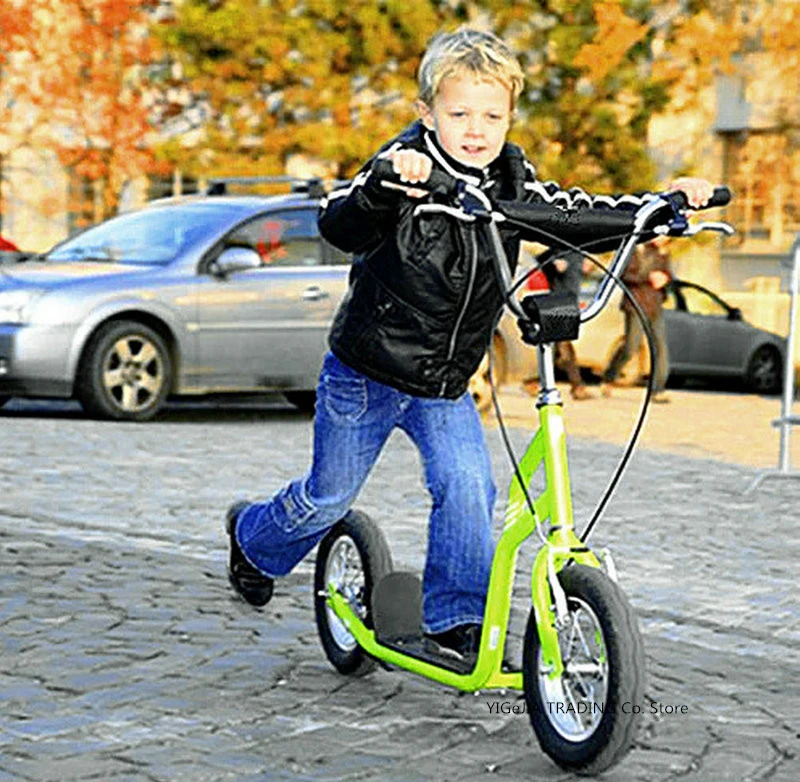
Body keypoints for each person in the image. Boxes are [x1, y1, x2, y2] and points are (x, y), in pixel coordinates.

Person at [225, 27, 714, 663]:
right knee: (329, 497)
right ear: (426, 113)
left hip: (444, 384)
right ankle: (252, 538)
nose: (476, 130)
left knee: (469, 490)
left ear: (510, 117)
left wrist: (657, 206)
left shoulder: (511, 179)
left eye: (492, 115)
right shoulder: (403, 168)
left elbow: (567, 215)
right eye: (459, 114)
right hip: (366, 375)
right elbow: (339, 220)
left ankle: (456, 618)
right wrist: (384, 185)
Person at [601, 237, 673, 402]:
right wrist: (648, 277)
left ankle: (658, 389)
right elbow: (623, 274)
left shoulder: (662, 253)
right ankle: (609, 376)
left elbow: (668, 275)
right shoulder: (634, 249)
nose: (665, 239)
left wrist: (665, 279)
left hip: (655, 304)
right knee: (630, 347)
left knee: (660, 347)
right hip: (635, 304)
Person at [522, 249, 594, 400]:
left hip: (571, 303)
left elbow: (578, 277)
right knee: (563, 346)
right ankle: (577, 386)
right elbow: (537, 263)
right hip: (557, 303)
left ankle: (533, 380)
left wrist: (587, 268)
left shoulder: (581, 252)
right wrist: (552, 265)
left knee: (555, 347)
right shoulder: (558, 250)